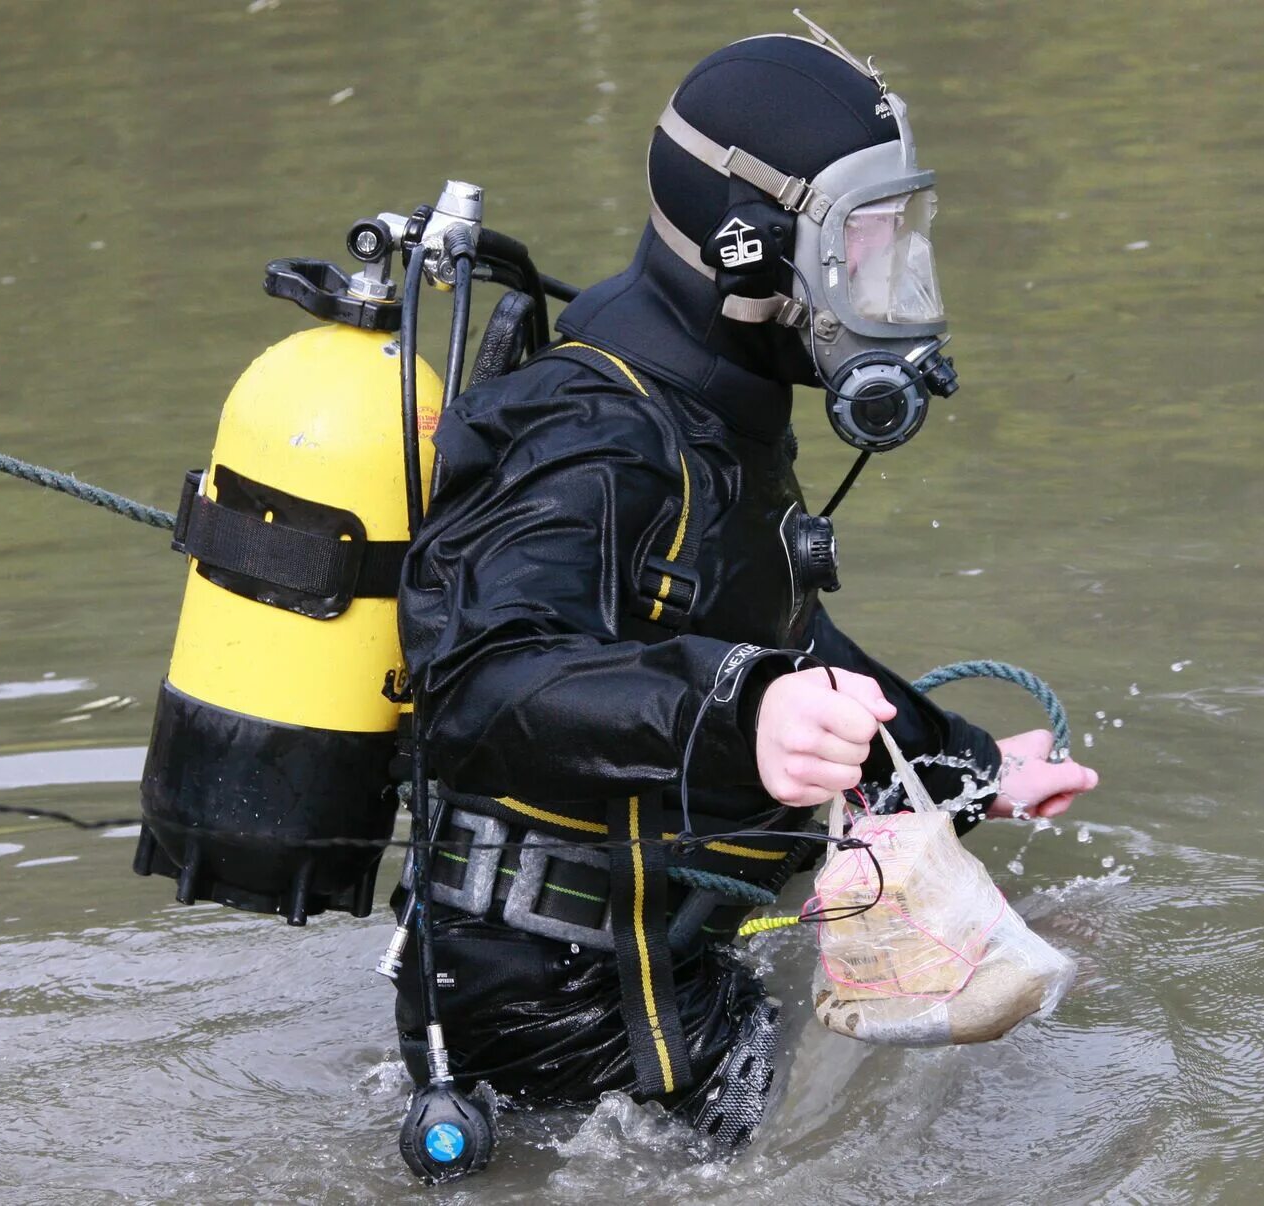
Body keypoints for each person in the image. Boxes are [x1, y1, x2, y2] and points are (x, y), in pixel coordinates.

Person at [393, 23, 1098, 1148]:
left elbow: (785, 639)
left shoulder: (716, 409)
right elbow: (475, 679)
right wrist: (737, 707)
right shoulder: (591, 435)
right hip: (555, 1008)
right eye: (862, 243)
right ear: (755, 249)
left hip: (656, 956)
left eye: (897, 237)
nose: (886, 278)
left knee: (1041, 984)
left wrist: (964, 768)